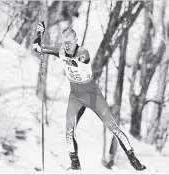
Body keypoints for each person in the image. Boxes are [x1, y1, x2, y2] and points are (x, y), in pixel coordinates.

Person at [32, 22, 146, 171]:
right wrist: (40, 34)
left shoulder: (83, 53)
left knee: (112, 127)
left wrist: (69, 59)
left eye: (70, 43)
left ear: (76, 41)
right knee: (68, 130)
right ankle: (75, 164)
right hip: (76, 96)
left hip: (92, 95)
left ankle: (133, 160)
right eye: (65, 42)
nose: (67, 46)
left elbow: (82, 60)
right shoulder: (60, 49)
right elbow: (36, 48)